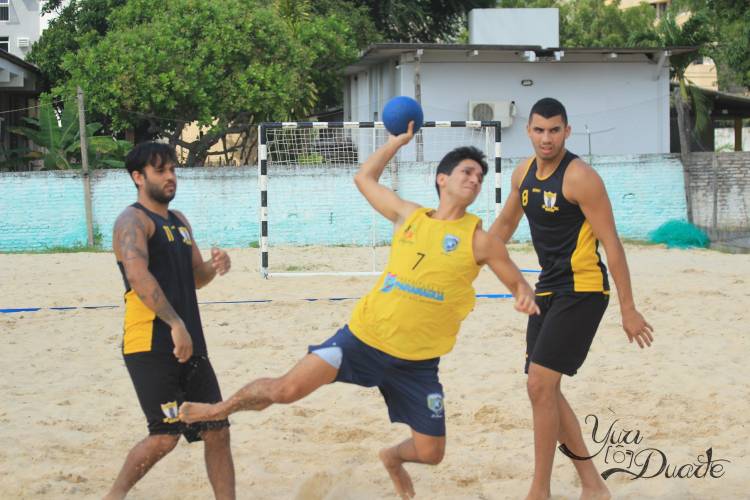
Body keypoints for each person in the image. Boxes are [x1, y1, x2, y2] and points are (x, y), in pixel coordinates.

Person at [179, 123, 540, 499]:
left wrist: (523, 295)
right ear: (442, 179)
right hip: (362, 340)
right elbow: (364, 177)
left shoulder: (480, 240)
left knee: (432, 453)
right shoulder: (409, 216)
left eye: (480, 177)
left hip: (416, 363)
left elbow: (517, 282)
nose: (475, 179)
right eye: (468, 171)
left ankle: (392, 458)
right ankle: (217, 409)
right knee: (286, 390)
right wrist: (395, 143)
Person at [489, 98, 654, 500]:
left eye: (555, 130)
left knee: (541, 386)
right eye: (540, 130)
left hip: (582, 290)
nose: (547, 138)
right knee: (540, 389)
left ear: (567, 131)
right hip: (547, 288)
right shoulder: (522, 174)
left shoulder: (580, 178)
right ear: (528, 131)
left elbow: (612, 244)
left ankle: (539, 490)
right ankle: (593, 485)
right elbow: (504, 226)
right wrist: (467, 254)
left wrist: (628, 308)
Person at [105, 142, 235, 500]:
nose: (170, 177)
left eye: (173, 169)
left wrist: (214, 266)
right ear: (137, 177)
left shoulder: (179, 221)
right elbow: (138, 276)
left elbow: (195, 276)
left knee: (217, 428)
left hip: (190, 341)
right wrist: (175, 323)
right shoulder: (131, 221)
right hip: (150, 341)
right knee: (165, 435)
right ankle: (113, 496)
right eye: (160, 170)